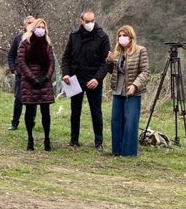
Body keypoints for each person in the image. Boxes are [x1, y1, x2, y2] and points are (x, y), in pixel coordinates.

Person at [61, 11, 110, 151]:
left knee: (96, 112)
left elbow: (105, 62)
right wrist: (66, 74)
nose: (90, 24)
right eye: (87, 21)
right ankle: (74, 139)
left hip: (94, 79)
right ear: (81, 21)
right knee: (75, 111)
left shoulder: (103, 37)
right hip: (76, 79)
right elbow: (66, 57)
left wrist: (97, 78)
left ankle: (98, 142)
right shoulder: (74, 36)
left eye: (92, 21)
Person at [106, 25, 149, 156]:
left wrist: (135, 85)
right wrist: (109, 62)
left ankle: (129, 152)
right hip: (118, 90)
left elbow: (145, 72)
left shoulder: (140, 50)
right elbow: (111, 72)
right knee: (116, 120)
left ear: (131, 37)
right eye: (120, 35)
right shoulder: (117, 52)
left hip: (132, 91)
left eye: (124, 35)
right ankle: (116, 151)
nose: (122, 38)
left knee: (131, 121)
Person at [17, 18, 56, 151]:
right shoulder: (25, 43)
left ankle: (47, 139)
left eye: (43, 27)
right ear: (33, 28)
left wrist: (47, 77)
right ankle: (30, 139)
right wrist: (32, 78)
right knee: (29, 110)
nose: (41, 29)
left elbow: (52, 62)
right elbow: (21, 62)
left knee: (46, 111)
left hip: (44, 80)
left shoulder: (47, 44)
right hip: (30, 81)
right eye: (38, 27)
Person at [7, 15, 35, 130]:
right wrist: (14, 69)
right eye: (28, 23)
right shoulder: (18, 38)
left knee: (33, 100)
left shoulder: (40, 38)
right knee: (19, 99)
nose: (30, 25)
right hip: (21, 75)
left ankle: (31, 122)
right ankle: (14, 123)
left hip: (34, 75)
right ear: (24, 24)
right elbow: (11, 55)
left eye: (32, 23)